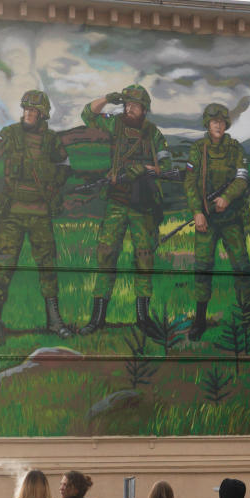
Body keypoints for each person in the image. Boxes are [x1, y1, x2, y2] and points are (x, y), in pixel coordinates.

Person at [0, 89, 74, 342]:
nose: (27, 114)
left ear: (42, 114)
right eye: (25, 110)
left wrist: (54, 185)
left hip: (40, 212)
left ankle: (54, 322)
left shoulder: (52, 140)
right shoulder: (11, 135)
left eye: (32, 111)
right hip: (13, 213)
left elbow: (65, 166)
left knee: (48, 267)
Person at [78, 84, 172, 336]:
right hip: (117, 202)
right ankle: (97, 319)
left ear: (144, 109)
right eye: (127, 104)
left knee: (144, 258)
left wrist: (145, 169)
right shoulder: (116, 124)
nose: (130, 108)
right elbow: (88, 114)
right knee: (106, 255)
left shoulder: (153, 133)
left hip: (143, 204)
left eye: (136, 105)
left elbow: (166, 164)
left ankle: (143, 319)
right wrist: (108, 98)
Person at [183, 103, 250, 340]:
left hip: (231, 217)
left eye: (222, 122)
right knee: (202, 268)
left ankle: (247, 318)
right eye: (214, 122)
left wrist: (227, 197)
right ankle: (200, 321)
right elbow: (190, 182)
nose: (218, 125)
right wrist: (197, 211)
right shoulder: (198, 149)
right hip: (207, 219)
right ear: (207, 123)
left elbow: (242, 179)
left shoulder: (235, 149)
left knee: (242, 267)